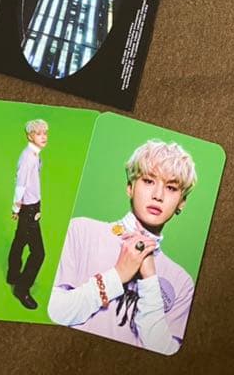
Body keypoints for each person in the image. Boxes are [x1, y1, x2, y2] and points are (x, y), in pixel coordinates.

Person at [47, 140, 198, 355]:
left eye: (171, 187)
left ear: (181, 202)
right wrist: (116, 276)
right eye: (148, 181)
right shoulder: (81, 232)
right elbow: (52, 313)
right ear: (130, 187)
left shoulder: (182, 282)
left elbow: (165, 354)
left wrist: (150, 280)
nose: (158, 195)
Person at [7, 119, 48, 309]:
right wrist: (16, 208)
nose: (43, 137)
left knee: (20, 240)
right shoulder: (28, 158)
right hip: (29, 208)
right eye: (38, 133)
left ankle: (12, 275)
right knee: (38, 253)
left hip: (31, 206)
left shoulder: (34, 155)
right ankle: (22, 289)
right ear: (29, 136)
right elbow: (20, 184)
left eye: (45, 133)